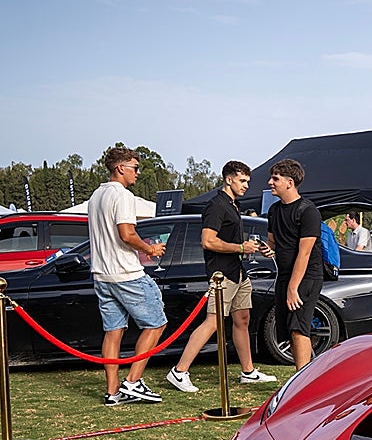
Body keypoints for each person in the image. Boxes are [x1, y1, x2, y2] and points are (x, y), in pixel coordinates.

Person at [165, 161, 277, 393]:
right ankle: (179, 371)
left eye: (247, 181)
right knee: (212, 322)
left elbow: (232, 240)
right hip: (221, 274)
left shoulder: (233, 205)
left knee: (242, 319)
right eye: (242, 181)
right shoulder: (216, 205)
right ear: (228, 179)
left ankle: (248, 372)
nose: (246, 185)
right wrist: (240, 247)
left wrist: (255, 248)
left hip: (238, 272)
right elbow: (208, 241)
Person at [87, 146, 167, 406]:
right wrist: (150, 249)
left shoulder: (96, 196)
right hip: (126, 273)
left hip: (102, 275)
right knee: (156, 324)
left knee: (113, 331)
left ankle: (113, 392)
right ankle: (133, 382)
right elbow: (127, 234)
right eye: (135, 167)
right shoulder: (122, 195)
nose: (138, 173)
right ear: (120, 168)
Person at [265, 158, 323, 369]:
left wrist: (293, 288)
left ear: (290, 182)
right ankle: (304, 375)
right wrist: (266, 248)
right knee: (289, 331)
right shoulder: (274, 210)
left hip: (307, 276)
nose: (270, 182)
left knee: (299, 328)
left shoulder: (308, 211)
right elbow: (273, 243)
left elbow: (304, 253)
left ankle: (303, 381)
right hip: (285, 275)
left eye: (275, 178)